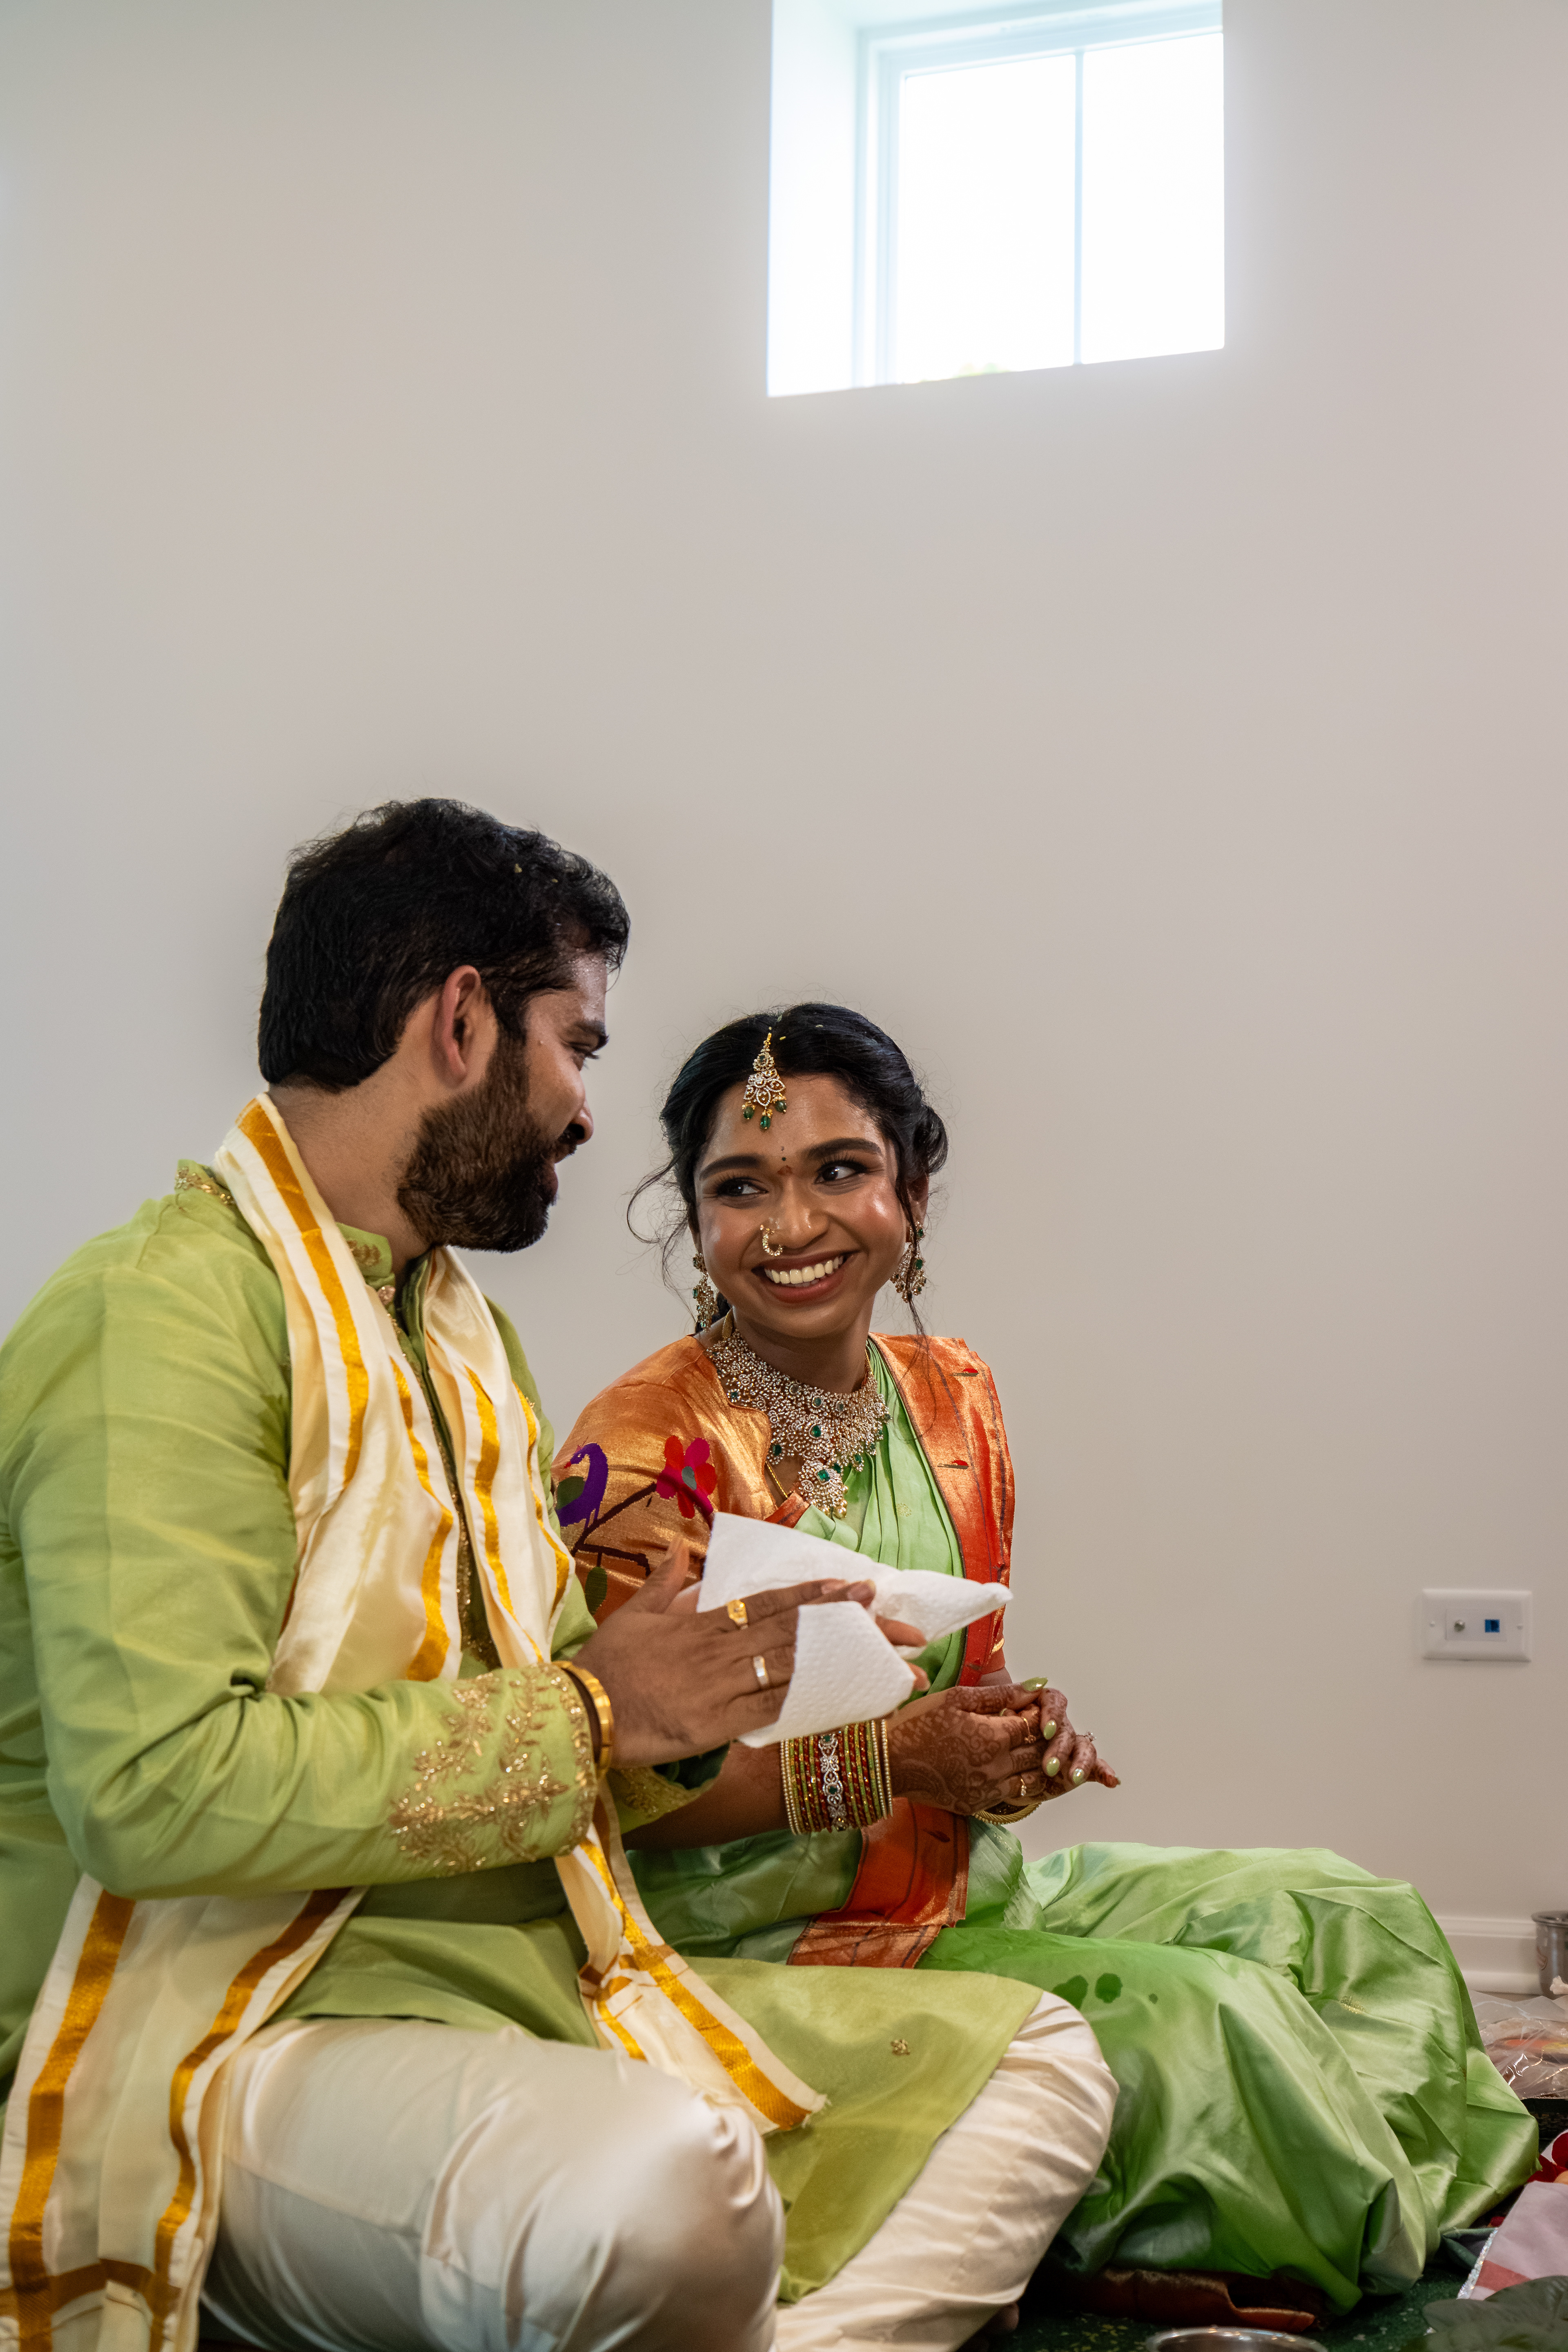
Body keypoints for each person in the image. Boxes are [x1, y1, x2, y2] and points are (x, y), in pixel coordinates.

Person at [0, 806, 1117, 2352]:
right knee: (671, 2193)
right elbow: (155, 1788)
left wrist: (732, 1680)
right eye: (575, 1044)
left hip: (506, 1960)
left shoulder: (457, 1339)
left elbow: (583, 1702)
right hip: (237, 2011)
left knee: (1041, 2063)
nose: (590, 1110)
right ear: (463, 1022)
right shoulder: (162, 1319)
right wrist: (599, 1714)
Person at [559, 1002, 1539, 2326]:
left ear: (914, 1189)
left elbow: (963, 1681)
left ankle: (1373, 2210)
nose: (792, 1227)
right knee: (1221, 2027)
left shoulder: (951, 1396)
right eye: (742, 1189)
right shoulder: (640, 1454)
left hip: (963, 1892)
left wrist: (1010, 1744)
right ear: (695, 1219)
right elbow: (618, 1791)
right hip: (761, 1946)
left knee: (1353, 1918)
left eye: (839, 1172)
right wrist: (896, 1757)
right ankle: (1212, 2243)